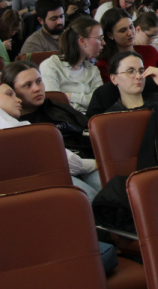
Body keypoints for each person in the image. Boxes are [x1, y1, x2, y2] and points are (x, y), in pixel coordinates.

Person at [0, 65, 102, 201]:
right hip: (55, 172)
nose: (37, 88)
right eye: (27, 85)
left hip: (88, 161)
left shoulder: (58, 108)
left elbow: (89, 132)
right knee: (88, 198)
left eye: (39, 81)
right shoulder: (14, 126)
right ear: (13, 91)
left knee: (110, 192)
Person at [38, 16, 104, 113]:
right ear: (82, 41)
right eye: (99, 38)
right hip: (65, 122)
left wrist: (69, 96)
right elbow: (54, 102)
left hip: (90, 120)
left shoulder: (93, 70)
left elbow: (100, 101)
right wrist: (84, 100)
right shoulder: (50, 66)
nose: (103, 43)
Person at [96, 8, 158, 83]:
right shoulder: (104, 64)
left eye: (131, 27)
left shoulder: (150, 51)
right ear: (110, 35)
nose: (130, 33)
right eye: (123, 30)